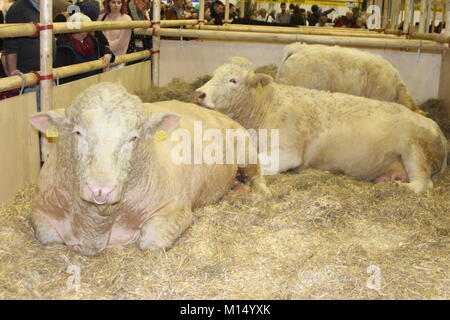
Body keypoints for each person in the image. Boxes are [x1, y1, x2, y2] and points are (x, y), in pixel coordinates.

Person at [54, 13, 114, 84]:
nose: (89, 29)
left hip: (95, 83)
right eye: (86, 26)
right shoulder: (63, 44)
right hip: (73, 86)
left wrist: (108, 54)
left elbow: (105, 50)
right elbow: (61, 75)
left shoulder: (91, 39)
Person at [98, 0, 132, 69]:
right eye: (113, 2)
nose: (116, 5)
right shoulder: (101, 17)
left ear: (122, 4)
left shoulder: (127, 19)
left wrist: (105, 50)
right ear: (108, 3)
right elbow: (99, 38)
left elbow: (121, 43)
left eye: (119, 2)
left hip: (118, 61)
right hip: (102, 59)